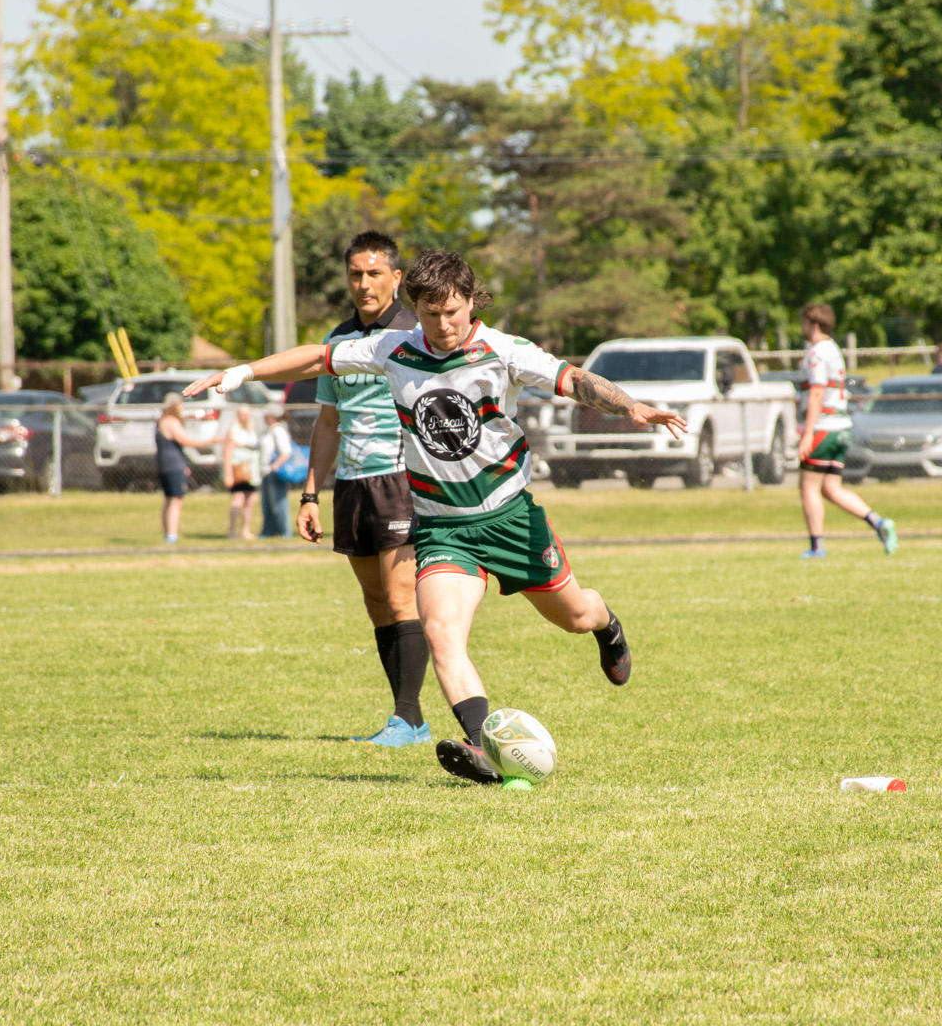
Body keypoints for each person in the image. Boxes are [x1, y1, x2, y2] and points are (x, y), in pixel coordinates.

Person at [185, 248, 688, 784]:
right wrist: (241, 371)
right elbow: (318, 357)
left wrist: (630, 405)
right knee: (442, 632)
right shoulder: (394, 348)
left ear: (472, 302)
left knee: (575, 617)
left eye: (453, 312)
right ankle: (482, 750)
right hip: (443, 526)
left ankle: (607, 626)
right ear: (415, 308)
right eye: (431, 314)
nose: (444, 325)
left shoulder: (503, 350)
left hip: (511, 518)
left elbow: (573, 379)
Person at [296, 231, 431, 746]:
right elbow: (328, 422)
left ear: (396, 279)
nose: (364, 283)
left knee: (401, 598)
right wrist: (311, 494)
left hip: (401, 481)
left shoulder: (414, 336)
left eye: (375, 273)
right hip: (351, 484)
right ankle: (407, 720)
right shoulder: (338, 341)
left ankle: (409, 717)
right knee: (376, 601)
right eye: (356, 273)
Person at [798, 302, 899, 560]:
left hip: (824, 425)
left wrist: (808, 433)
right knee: (831, 488)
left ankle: (817, 547)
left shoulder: (817, 352)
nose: (802, 327)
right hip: (842, 425)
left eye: (805, 323)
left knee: (808, 487)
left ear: (815, 325)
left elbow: (818, 391)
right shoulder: (833, 349)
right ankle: (878, 522)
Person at [155, 393, 207, 544]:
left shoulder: (159, 421)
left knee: (169, 500)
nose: (182, 408)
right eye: (181, 404)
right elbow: (185, 441)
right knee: (176, 500)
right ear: (174, 405)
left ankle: (168, 534)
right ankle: (172, 535)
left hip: (164, 464)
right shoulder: (171, 421)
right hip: (173, 465)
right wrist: (210, 441)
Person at [222, 404, 261, 541]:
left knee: (251, 500)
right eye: (242, 414)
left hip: (251, 471)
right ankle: (232, 530)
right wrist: (228, 474)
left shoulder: (251, 431)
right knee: (238, 500)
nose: (244, 417)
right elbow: (227, 453)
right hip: (238, 469)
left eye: (247, 414)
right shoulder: (233, 431)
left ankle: (245, 530)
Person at [259, 406, 298, 538]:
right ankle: (269, 531)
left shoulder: (278, 430)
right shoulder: (268, 431)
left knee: (279, 504)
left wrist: (274, 467)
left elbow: (286, 452)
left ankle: (285, 533)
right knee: (267, 504)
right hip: (265, 472)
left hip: (274, 472)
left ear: (272, 416)